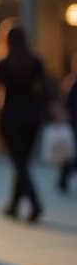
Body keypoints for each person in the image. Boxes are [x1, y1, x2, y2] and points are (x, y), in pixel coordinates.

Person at [0, 19, 56, 223]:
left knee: (20, 163)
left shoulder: (1, 63)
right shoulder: (35, 61)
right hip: (32, 116)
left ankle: (35, 203)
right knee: (22, 162)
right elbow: (46, 89)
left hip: (9, 116)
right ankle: (13, 205)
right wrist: (55, 111)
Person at [59, 52, 77, 193]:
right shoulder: (70, 81)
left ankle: (63, 179)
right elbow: (64, 102)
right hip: (72, 122)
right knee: (70, 152)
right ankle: (63, 179)